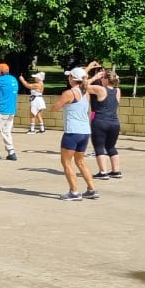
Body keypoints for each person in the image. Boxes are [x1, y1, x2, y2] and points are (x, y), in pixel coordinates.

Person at [51, 67, 99, 201]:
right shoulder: (86, 93)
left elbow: (54, 108)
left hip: (73, 131)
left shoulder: (69, 93)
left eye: (69, 76)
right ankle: (91, 190)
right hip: (85, 131)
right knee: (80, 161)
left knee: (66, 162)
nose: (68, 78)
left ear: (73, 78)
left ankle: (74, 192)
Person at [86, 65, 123, 180]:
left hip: (100, 122)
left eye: (102, 78)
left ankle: (103, 172)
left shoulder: (101, 89)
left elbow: (83, 86)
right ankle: (116, 171)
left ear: (106, 79)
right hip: (114, 123)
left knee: (99, 147)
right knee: (111, 147)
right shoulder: (118, 91)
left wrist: (94, 77)